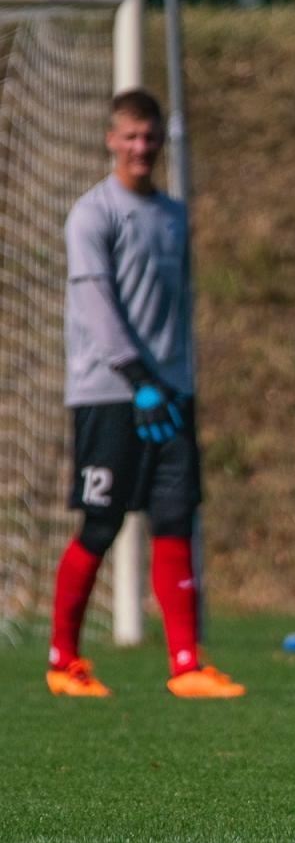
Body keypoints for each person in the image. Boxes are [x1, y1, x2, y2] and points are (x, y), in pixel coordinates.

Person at [45, 88, 244, 700]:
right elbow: (96, 305)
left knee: (174, 519)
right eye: (129, 136)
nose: (140, 147)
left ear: (160, 141)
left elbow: (177, 311)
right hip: (110, 393)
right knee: (101, 521)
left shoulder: (174, 215)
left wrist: (174, 386)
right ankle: (64, 661)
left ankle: (185, 666)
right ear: (111, 139)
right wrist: (137, 383)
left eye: (149, 137)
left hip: (169, 394)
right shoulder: (92, 214)